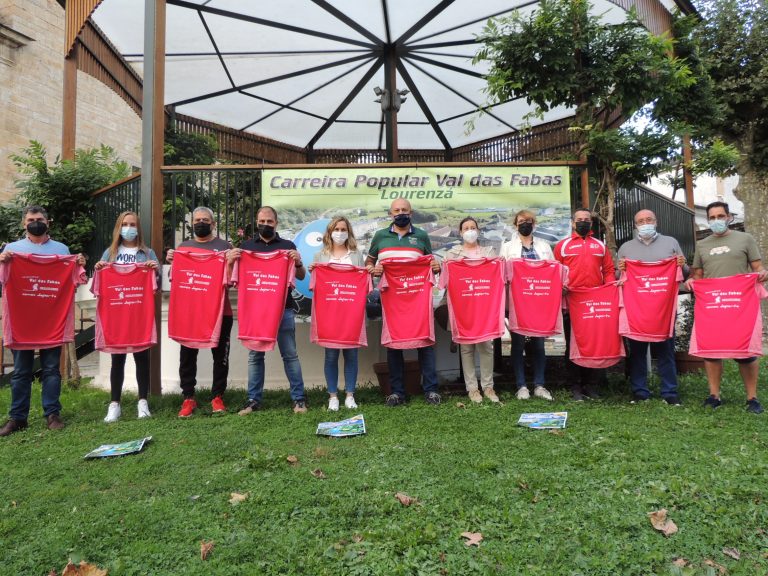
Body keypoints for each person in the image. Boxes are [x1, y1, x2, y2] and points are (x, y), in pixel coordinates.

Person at [0, 206, 86, 436]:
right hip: (22, 321)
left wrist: (77, 262)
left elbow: (74, 280)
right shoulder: (11, 250)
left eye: (40, 219)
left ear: (48, 222)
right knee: (20, 371)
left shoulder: (61, 249)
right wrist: (2, 260)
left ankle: (52, 414)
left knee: (51, 369)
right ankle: (17, 418)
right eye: (31, 219)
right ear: (23, 224)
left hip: (51, 320)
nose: (35, 222)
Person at [688, 201, 768, 413]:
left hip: (739, 304)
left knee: (745, 353)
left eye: (720, 216)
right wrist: (691, 282)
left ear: (729, 217)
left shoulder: (745, 239)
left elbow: (758, 268)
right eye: (712, 217)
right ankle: (714, 395)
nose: (716, 221)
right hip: (713, 306)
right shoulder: (702, 244)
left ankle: (752, 398)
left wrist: (763, 274)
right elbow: (697, 275)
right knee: (712, 352)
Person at [230, 206, 308, 414]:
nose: (265, 225)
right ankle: (253, 400)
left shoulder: (287, 246)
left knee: (290, 354)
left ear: (276, 223)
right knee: (255, 356)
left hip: (284, 309)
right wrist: (231, 261)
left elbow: (300, 276)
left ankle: (299, 400)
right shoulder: (246, 248)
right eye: (262, 221)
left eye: (269, 222)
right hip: (256, 312)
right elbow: (231, 278)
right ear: (257, 222)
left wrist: (298, 262)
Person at [366, 198, 443, 407]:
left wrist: (436, 266)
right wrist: (375, 269)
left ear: (411, 213)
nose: (401, 213)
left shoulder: (421, 236)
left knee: (425, 343)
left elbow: (431, 262)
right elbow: (369, 262)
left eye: (405, 210)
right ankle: (397, 392)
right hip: (392, 300)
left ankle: (431, 390)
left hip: (418, 299)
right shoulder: (380, 236)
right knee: (394, 345)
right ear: (390, 214)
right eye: (397, 210)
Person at [166, 207, 233, 417]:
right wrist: (172, 260)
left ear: (213, 224)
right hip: (191, 312)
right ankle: (188, 398)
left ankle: (218, 397)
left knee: (220, 355)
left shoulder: (224, 247)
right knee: (187, 356)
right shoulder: (183, 247)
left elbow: (229, 282)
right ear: (192, 223)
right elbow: (175, 278)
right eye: (197, 220)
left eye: (205, 220)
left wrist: (231, 260)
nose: (201, 223)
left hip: (221, 312)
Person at [94, 211, 160, 422]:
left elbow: (156, 284)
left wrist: (155, 270)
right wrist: (98, 269)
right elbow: (99, 283)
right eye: (125, 224)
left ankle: (143, 402)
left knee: (142, 359)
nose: (129, 228)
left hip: (139, 313)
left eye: (132, 224)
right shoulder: (109, 253)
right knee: (117, 360)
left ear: (138, 228)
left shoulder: (148, 253)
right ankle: (115, 404)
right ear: (118, 227)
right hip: (116, 314)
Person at [617, 209, 687, 406]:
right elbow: (618, 279)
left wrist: (683, 264)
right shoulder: (626, 248)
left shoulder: (671, 243)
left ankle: (670, 392)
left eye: (649, 219)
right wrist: (620, 270)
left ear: (656, 222)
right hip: (636, 310)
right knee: (637, 353)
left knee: (666, 351)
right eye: (641, 220)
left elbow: (683, 274)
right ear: (635, 225)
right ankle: (640, 392)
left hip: (664, 309)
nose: (645, 223)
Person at [554, 208, 616, 400]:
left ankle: (592, 385)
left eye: (586, 219)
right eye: (579, 219)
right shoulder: (562, 246)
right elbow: (555, 272)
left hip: (596, 303)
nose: (583, 222)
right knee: (574, 344)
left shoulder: (600, 245)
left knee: (597, 343)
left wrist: (609, 291)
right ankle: (575, 386)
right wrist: (560, 287)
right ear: (573, 223)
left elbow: (609, 271)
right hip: (571, 303)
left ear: (591, 222)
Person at [308, 216, 365, 411]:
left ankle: (350, 395)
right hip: (329, 314)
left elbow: (362, 282)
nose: (339, 233)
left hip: (351, 313)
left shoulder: (356, 255)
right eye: (336, 229)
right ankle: (332, 396)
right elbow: (315, 288)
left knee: (351, 355)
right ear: (329, 231)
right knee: (331, 356)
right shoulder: (320, 256)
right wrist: (314, 271)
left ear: (348, 232)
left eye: (343, 229)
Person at [500, 209, 555, 401]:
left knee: (539, 344)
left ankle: (540, 385)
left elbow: (552, 270)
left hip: (539, 302)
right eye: (522, 221)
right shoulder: (507, 247)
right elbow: (501, 274)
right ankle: (521, 386)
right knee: (518, 344)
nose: (525, 223)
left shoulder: (545, 246)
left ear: (534, 224)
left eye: (529, 220)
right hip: (516, 303)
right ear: (516, 225)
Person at [444, 217, 500, 403]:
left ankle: (488, 387)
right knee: (466, 348)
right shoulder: (451, 255)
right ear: (460, 232)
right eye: (466, 228)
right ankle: (472, 389)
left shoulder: (490, 252)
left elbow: (497, 277)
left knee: (486, 347)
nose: (469, 231)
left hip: (484, 307)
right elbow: (444, 282)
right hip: (463, 308)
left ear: (478, 230)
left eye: (473, 227)